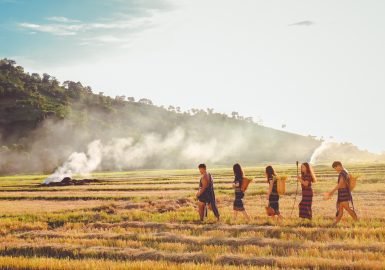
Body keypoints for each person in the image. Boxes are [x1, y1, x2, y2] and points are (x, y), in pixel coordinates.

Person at [325, 161, 358, 225]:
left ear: (339, 166)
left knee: (347, 208)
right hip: (344, 192)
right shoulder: (345, 171)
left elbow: (340, 184)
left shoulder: (342, 173)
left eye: (335, 168)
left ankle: (357, 221)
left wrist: (332, 192)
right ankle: (335, 223)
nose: (335, 170)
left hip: (343, 193)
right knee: (340, 209)